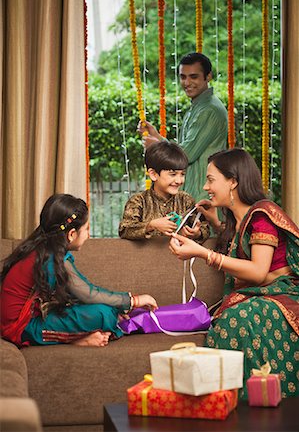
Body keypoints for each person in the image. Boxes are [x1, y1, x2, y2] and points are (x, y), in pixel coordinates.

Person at [169, 148, 299, 399]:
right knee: (229, 317)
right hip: (264, 295)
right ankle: (229, 402)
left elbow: (259, 271)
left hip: (285, 295)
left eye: (210, 179)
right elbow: (242, 246)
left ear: (233, 182)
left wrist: (202, 253)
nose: (206, 187)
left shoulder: (262, 215)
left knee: (236, 319)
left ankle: (249, 401)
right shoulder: (237, 220)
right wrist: (215, 223)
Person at [0, 194, 157, 347]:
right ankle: (80, 340)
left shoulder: (46, 248)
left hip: (36, 316)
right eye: (86, 229)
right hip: (20, 328)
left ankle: (79, 337)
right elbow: (88, 294)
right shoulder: (52, 258)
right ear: (71, 234)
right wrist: (133, 301)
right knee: (103, 314)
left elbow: (78, 293)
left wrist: (118, 306)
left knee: (107, 310)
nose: (88, 235)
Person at [138, 52, 228, 201]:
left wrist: (156, 145)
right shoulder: (199, 106)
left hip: (203, 195)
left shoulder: (209, 110)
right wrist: (157, 136)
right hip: (196, 193)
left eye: (193, 77)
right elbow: (184, 148)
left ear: (208, 76)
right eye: (183, 77)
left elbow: (186, 154)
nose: (187, 82)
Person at [119, 140, 209, 241]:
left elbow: (204, 227)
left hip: (179, 256)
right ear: (153, 174)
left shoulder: (186, 200)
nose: (179, 180)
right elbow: (124, 230)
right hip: (144, 256)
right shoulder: (138, 201)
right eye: (173, 174)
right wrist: (151, 225)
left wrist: (197, 234)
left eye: (182, 174)